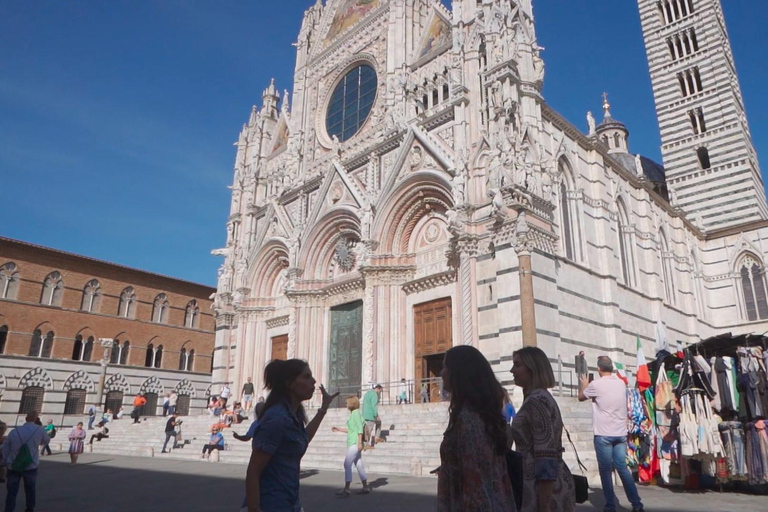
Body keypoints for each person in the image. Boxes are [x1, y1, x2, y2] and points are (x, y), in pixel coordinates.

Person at [245, 359, 338, 512]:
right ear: (290, 383)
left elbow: (303, 439)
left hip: (290, 502)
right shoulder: (277, 419)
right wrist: (254, 509)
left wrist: (323, 408)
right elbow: (253, 471)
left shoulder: (293, 417)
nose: (314, 381)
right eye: (306, 377)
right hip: (271, 503)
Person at [436, 345, 516, 511]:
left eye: (445, 367)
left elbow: (475, 483)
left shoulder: (469, 419)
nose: (441, 373)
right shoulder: (478, 413)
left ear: (459, 372)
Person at [510, 347, 575, 512]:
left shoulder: (536, 401)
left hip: (542, 488)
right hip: (543, 483)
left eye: (517, 365)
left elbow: (545, 453)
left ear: (533, 368)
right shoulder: (539, 397)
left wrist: (544, 503)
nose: (512, 370)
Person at [579, 356, 645, 512]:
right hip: (620, 433)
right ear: (612, 368)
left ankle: (610, 506)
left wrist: (583, 384)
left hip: (603, 434)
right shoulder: (621, 384)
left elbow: (581, 397)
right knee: (622, 468)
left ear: (599, 369)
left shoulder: (596, 384)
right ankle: (636, 504)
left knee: (605, 471)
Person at [2, 412, 49, 512]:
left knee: (11, 491)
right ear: (36, 419)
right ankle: (29, 508)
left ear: (26, 419)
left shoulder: (14, 431)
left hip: (13, 465)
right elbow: (46, 441)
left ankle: (9, 509)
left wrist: (6, 461)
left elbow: (5, 447)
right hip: (30, 465)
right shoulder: (40, 430)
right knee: (30, 489)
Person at [331, 396, 371, 497]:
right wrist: (339, 429)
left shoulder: (356, 414)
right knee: (358, 464)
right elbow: (351, 429)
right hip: (354, 442)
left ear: (351, 403)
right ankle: (365, 486)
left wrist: (359, 443)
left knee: (347, 464)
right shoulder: (354, 414)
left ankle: (347, 488)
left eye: (346, 403)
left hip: (354, 443)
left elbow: (359, 429)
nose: (346, 404)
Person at [362, 384, 383, 448]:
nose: (380, 392)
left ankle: (377, 437)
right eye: (380, 391)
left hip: (365, 413)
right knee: (369, 429)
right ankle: (366, 444)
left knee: (379, 422)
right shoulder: (374, 395)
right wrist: (376, 414)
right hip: (371, 414)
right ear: (377, 388)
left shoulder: (367, 393)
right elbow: (374, 405)